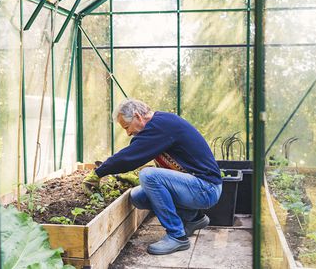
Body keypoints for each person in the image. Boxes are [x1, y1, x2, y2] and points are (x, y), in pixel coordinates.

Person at [81, 99, 222, 255]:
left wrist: (98, 172)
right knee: (137, 196)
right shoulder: (157, 126)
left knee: (149, 176)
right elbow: (137, 154)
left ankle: (177, 236)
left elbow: (130, 156)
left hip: (206, 188)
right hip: (194, 186)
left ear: (137, 116)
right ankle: (193, 218)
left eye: (127, 127)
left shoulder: (162, 126)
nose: (128, 133)